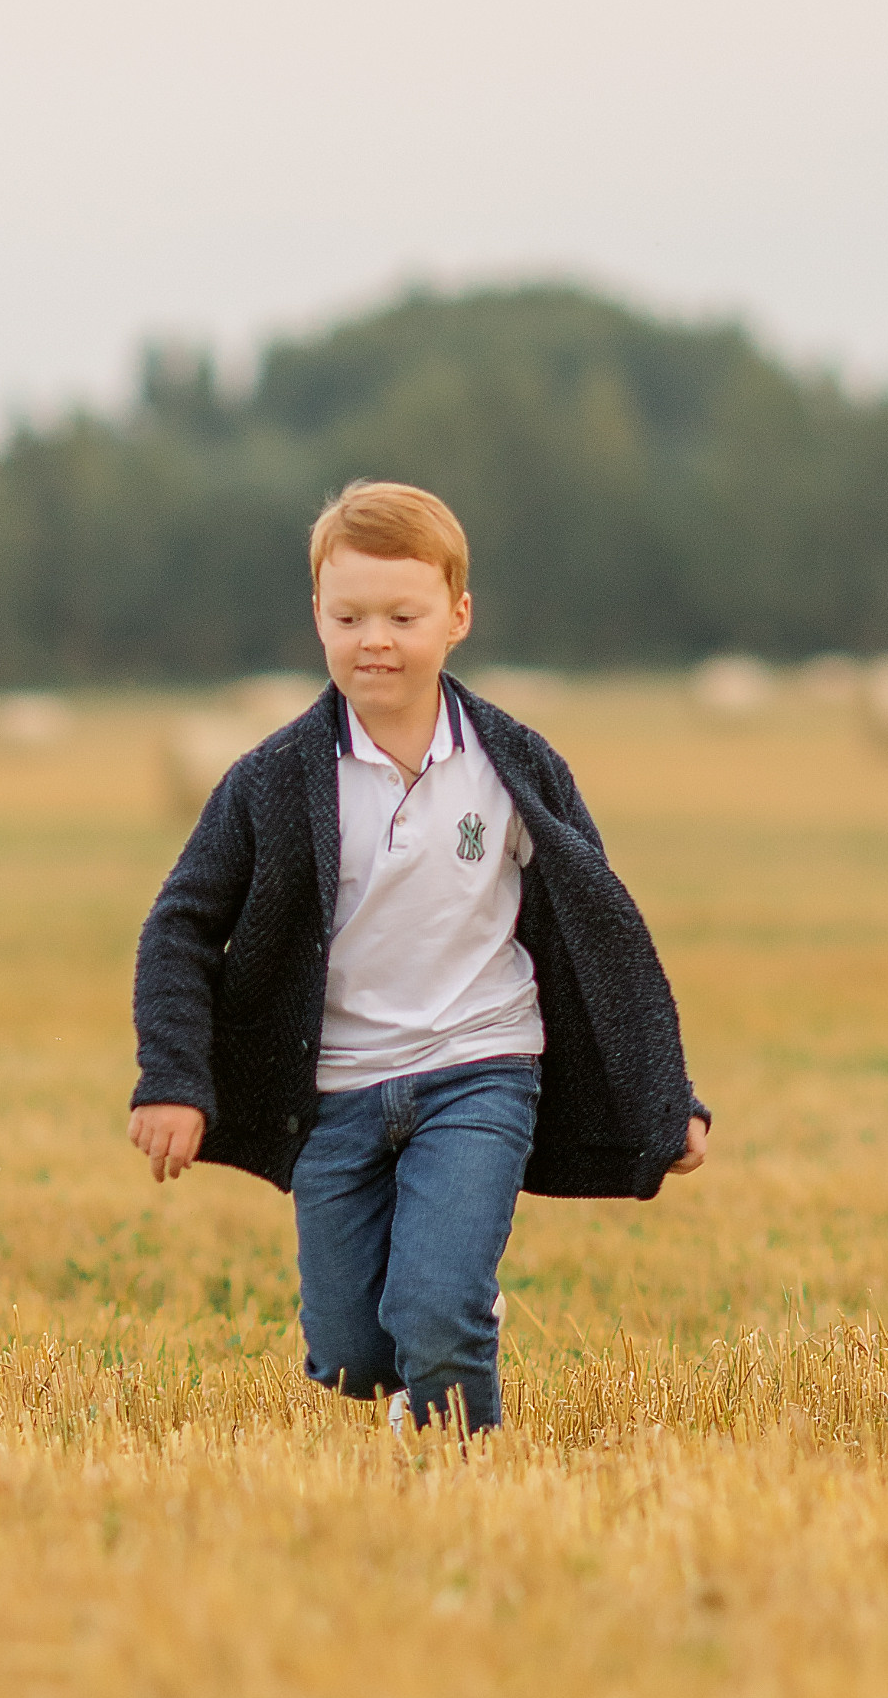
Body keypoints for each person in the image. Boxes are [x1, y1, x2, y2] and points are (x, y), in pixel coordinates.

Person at [127, 480, 708, 1435]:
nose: (375, 639)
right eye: (349, 614)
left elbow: (602, 931)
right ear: (316, 613)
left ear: (458, 616)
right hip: (336, 1096)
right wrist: (174, 1076)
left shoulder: (512, 764)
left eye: (404, 615)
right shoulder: (272, 782)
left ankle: (460, 1464)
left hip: (480, 1072)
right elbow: (180, 924)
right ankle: (446, 1317)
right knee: (354, 1355)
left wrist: (663, 1097)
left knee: (434, 1317)